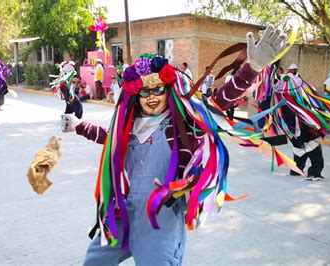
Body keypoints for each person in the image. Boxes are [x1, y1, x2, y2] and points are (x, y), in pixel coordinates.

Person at [60, 25, 291, 265]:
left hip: (160, 222)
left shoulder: (181, 125)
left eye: (157, 89)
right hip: (122, 216)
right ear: (135, 95)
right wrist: (79, 125)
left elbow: (218, 102)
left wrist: (250, 69)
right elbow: (109, 139)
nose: (151, 97)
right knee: (93, 262)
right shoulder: (128, 123)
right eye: (145, 91)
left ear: (168, 89)